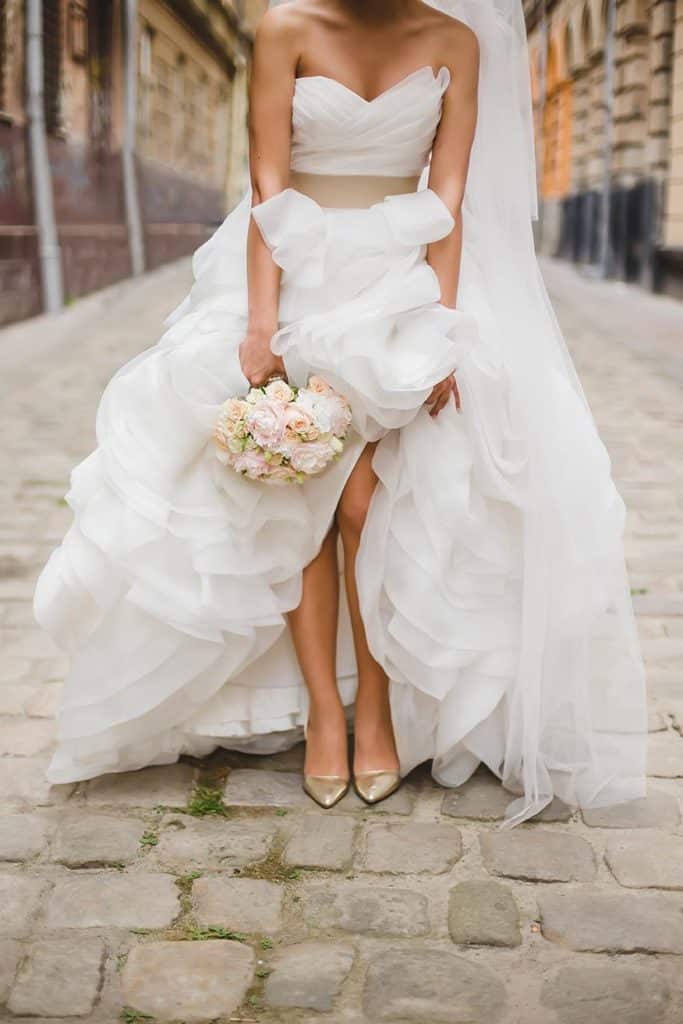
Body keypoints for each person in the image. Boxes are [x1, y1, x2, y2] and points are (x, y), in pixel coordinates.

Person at [34, 0, 647, 826]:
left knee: (367, 504)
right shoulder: (285, 28)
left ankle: (381, 711)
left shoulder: (452, 42)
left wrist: (440, 326)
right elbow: (266, 182)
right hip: (288, 272)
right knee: (290, 497)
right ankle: (327, 712)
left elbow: (451, 196)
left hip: (398, 287)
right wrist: (260, 325)